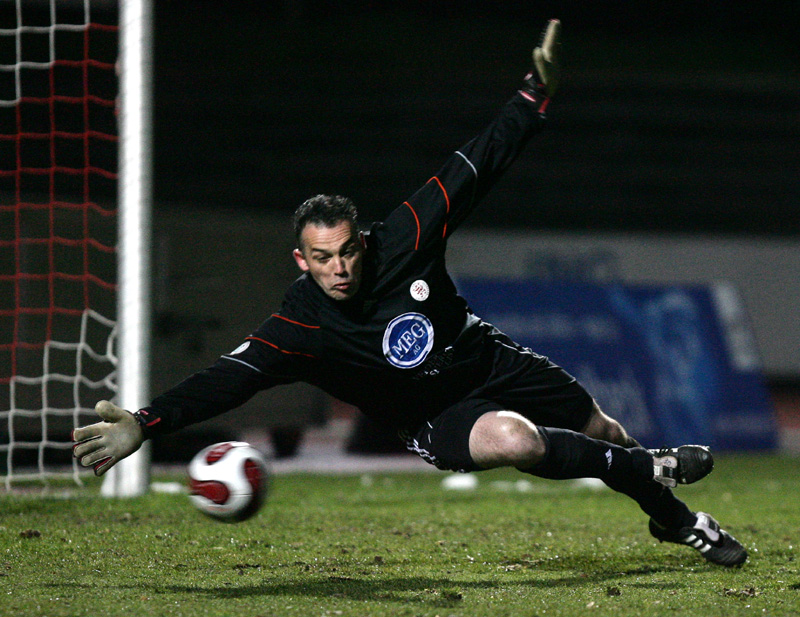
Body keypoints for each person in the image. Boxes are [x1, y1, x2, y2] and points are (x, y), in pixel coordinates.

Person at [72, 20, 747, 568]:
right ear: (301, 261)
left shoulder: (403, 236)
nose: (339, 268)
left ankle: (664, 512)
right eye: (322, 259)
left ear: (361, 241)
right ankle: (669, 491)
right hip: (431, 415)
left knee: (600, 430)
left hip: (484, 358)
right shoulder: (299, 325)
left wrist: (531, 98)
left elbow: (474, 167)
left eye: (347, 252)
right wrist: (145, 423)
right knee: (517, 440)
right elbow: (225, 380)